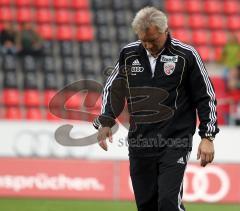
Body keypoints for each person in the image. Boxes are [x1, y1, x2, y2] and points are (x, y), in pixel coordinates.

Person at [93, 7, 219, 211]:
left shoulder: (186, 55)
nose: (148, 45)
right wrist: (106, 120)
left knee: (168, 204)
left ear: (165, 31)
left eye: (153, 40)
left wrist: (208, 136)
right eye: (144, 40)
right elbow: (113, 88)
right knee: (146, 206)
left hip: (175, 141)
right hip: (140, 141)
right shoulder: (129, 53)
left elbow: (206, 96)